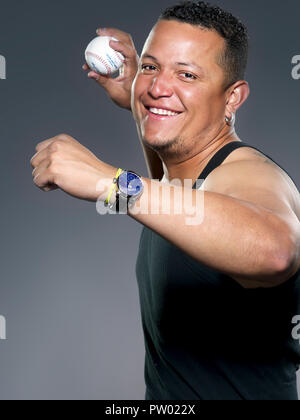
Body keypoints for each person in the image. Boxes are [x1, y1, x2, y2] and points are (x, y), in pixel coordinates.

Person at [31, 1, 300, 400]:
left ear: (232, 98)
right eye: (151, 66)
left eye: (187, 74)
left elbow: (275, 250)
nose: (158, 85)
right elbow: (173, 200)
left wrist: (110, 182)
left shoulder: (247, 173)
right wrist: (143, 103)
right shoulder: (181, 181)